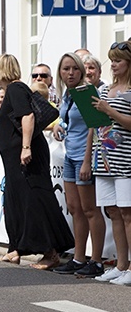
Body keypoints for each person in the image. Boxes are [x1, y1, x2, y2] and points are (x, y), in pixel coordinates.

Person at [0, 54, 74, 268]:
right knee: (14, 200)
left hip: (26, 155)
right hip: (15, 158)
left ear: (1, 70)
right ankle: (15, 248)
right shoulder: (13, 90)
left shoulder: (15, 89)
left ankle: (50, 253)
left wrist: (26, 147)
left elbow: (27, 116)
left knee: (34, 200)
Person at [51, 53, 106, 277]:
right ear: (60, 72)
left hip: (85, 156)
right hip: (69, 155)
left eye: (75, 68)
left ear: (82, 71)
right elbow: (65, 119)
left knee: (90, 209)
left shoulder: (86, 92)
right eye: (66, 69)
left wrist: (86, 161)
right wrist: (57, 125)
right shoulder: (66, 94)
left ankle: (96, 261)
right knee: (74, 209)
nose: (70, 73)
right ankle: (78, 257)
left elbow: (95, 126)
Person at [90, 40, 131, 285]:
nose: (113, 65)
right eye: (112, 60)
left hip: (126, 159)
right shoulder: (105, 90)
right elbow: (96, 124)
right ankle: (120, 264)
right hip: (104, 159)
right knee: (113, 212)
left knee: (127, 213)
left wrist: (110, 111)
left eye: (118, 60)